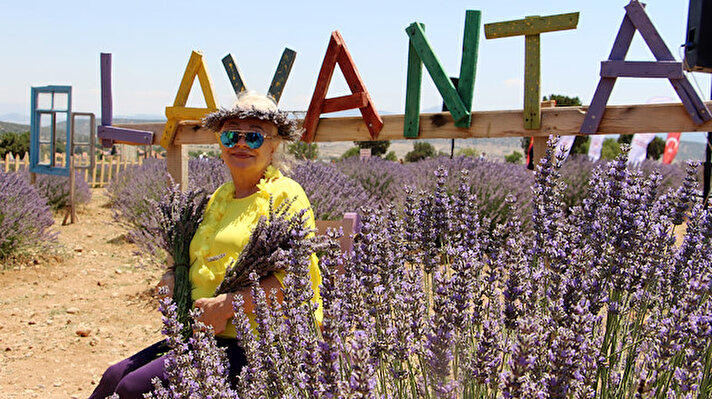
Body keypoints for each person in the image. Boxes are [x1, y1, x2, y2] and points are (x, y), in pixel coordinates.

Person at [90, 92, 323, 399]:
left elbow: (296, 279)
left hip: (259, 342)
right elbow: (199, 258)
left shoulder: (285, 195)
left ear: (274, 144)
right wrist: (174, 277)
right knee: (114, 376)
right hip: (204, 333)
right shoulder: (219, 198)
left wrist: (228, 306)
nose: (240, 143)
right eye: (230, 135)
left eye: (254, 136)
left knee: (132, 389)